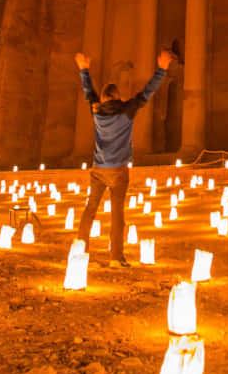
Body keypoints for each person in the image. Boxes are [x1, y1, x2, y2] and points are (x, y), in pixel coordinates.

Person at [74, 49, 174, 267]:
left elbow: (89, 93)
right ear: (118, 96)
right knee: (117, 215)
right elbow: (146, 93)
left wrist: (83, 69)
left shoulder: (97, 111)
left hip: (98, 169)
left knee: (90, 209)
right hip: (118, 171)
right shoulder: (127, 110)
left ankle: (80, 249)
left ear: (103, 98)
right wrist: (161, 70)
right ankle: (116, 257)